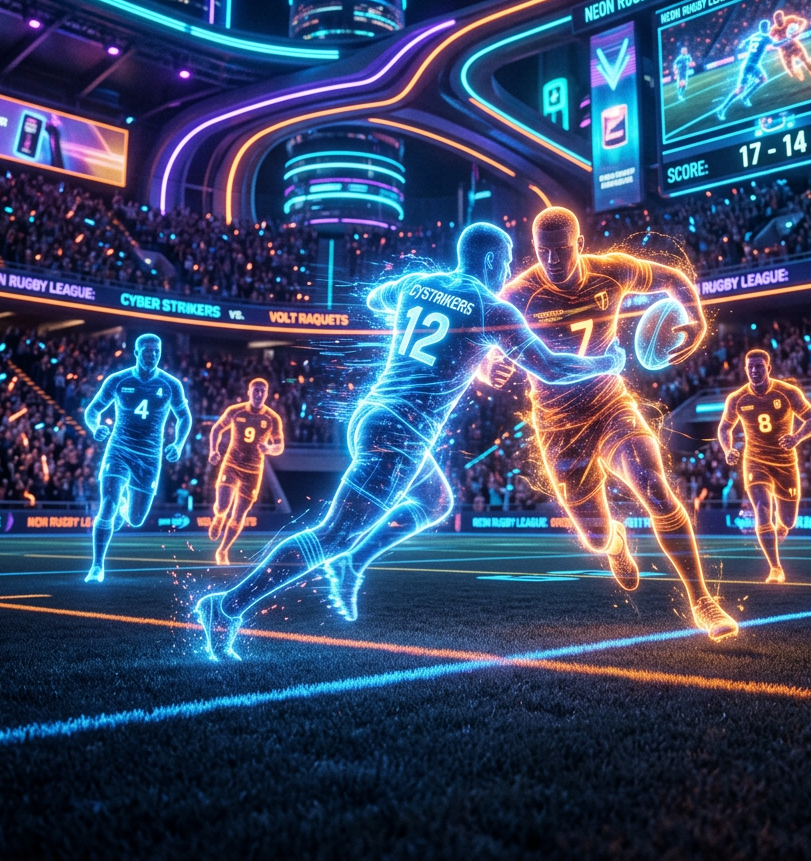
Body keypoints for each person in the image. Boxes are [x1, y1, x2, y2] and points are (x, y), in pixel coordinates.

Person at [194, 222, 625, 659]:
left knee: (436, 502)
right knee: (333, 534)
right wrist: (607, 361)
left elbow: (375, 299)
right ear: (493, 261)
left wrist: (420, 318)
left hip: (374, 415)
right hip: (403, 432)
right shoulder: (492, 310)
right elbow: (550, 368)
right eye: (509, 259)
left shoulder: (418, 284)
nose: (510, 269)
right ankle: (228, 606)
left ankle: (354, 560)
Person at [489, 206, 738, 641]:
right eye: (543, 252)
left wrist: (695, 318)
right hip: (558, 429)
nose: (552, 261)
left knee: (654, 485)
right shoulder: (516, 295)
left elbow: (672, 279)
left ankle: (702, 600)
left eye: (561, 251)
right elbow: (480, 345)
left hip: (610, 406)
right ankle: (616, 543)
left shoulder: (612, 272)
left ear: (580, 245)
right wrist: (488, 368)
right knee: (596, 537)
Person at [83, 333, 192, 583]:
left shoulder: (170, 384)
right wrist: (95, 427)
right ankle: (97, 567)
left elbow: (184, 416)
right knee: (107, 504)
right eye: (147, 350)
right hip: (119, 449)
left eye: (157, 351)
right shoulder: (118, 380)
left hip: (150, 458)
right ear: (137, 352)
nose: (152, 355)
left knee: (135, 519)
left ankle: (125, 507)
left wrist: (178, 442)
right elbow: (93, 410)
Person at [718, 350, 811, 584]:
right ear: (745, 369)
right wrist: (728, 450)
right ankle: (775, 567)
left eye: (759, 366)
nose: (754, 371)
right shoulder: (737, 398)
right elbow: (724, 428)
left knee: (788, 521)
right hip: (755, 461)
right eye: (750, 367)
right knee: (763, 507)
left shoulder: (787, 392)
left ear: (768, 368)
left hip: (785, 463)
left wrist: (796, 437)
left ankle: (782, 527)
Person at [208, 378, 285, 566]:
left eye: (262, 391)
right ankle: (218, 517)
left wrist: (269, 449)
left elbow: (280, 445)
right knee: (223, 506)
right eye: (256, 390)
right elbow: (217, 428)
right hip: (232, 465)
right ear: (248, 392)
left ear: (266, 395)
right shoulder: (235, 411)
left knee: (239, 514)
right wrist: (213, 450)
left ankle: (223, 551)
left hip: (253, 472)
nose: (259, 394)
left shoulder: (272, 418)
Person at [716, 19, 775, 121]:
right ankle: (722, 108)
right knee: (750, 84)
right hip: (752, 65)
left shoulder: (755, 35)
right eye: (769, 26)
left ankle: (743, 97)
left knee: (759, 80)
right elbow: (776, 45)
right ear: (767, 28)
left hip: (748, 64)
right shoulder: (766, 38)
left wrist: (741, 45)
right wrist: (788, 39)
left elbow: (744, 42)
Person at [769, 10, 811, 86]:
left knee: (806, 61)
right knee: (790, 71)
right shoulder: (773, 29)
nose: (779, 22)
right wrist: (775, 45)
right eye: (777, 21)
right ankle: (797, 71)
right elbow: (770, 42)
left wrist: (799, 31)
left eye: (780, 20)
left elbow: (803, 21)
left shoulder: (790, 19)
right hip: (784, 50)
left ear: (783, 17)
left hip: (794, 45)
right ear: (775, 21)